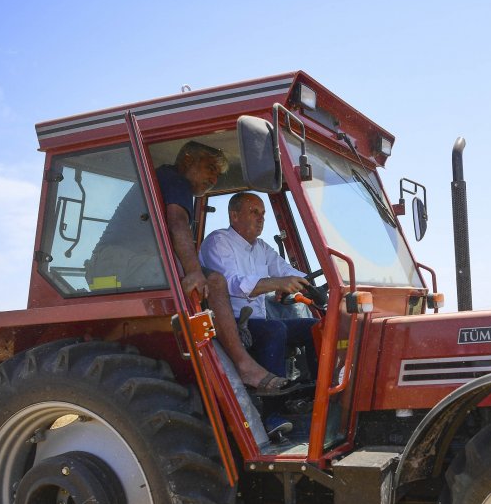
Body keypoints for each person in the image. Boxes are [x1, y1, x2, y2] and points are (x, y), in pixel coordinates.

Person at [87, 142, 294, 395]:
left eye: (217, 174)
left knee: (213, 282)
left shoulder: (174, 185)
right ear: (187, 160)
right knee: (214, 281)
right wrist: (195, 272)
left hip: (140, 260)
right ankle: (244, 365)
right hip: (117, 261)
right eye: (209, 168)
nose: (214, 178)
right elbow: (177, 224)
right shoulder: (174, 179)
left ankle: (240, 361)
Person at [200, 192, 319, 382]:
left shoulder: (261, 247)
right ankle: (276, 399)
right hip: (231, 323)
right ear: (234, 216)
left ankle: (317, 390)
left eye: (263, 214)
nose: (261, 219)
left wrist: (312, 283)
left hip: (259, 321)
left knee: (315, 327)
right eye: (254, 212)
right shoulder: (218, 242)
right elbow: (230, 284)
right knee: (275, 329)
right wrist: (275, 283)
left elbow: (285, 270)